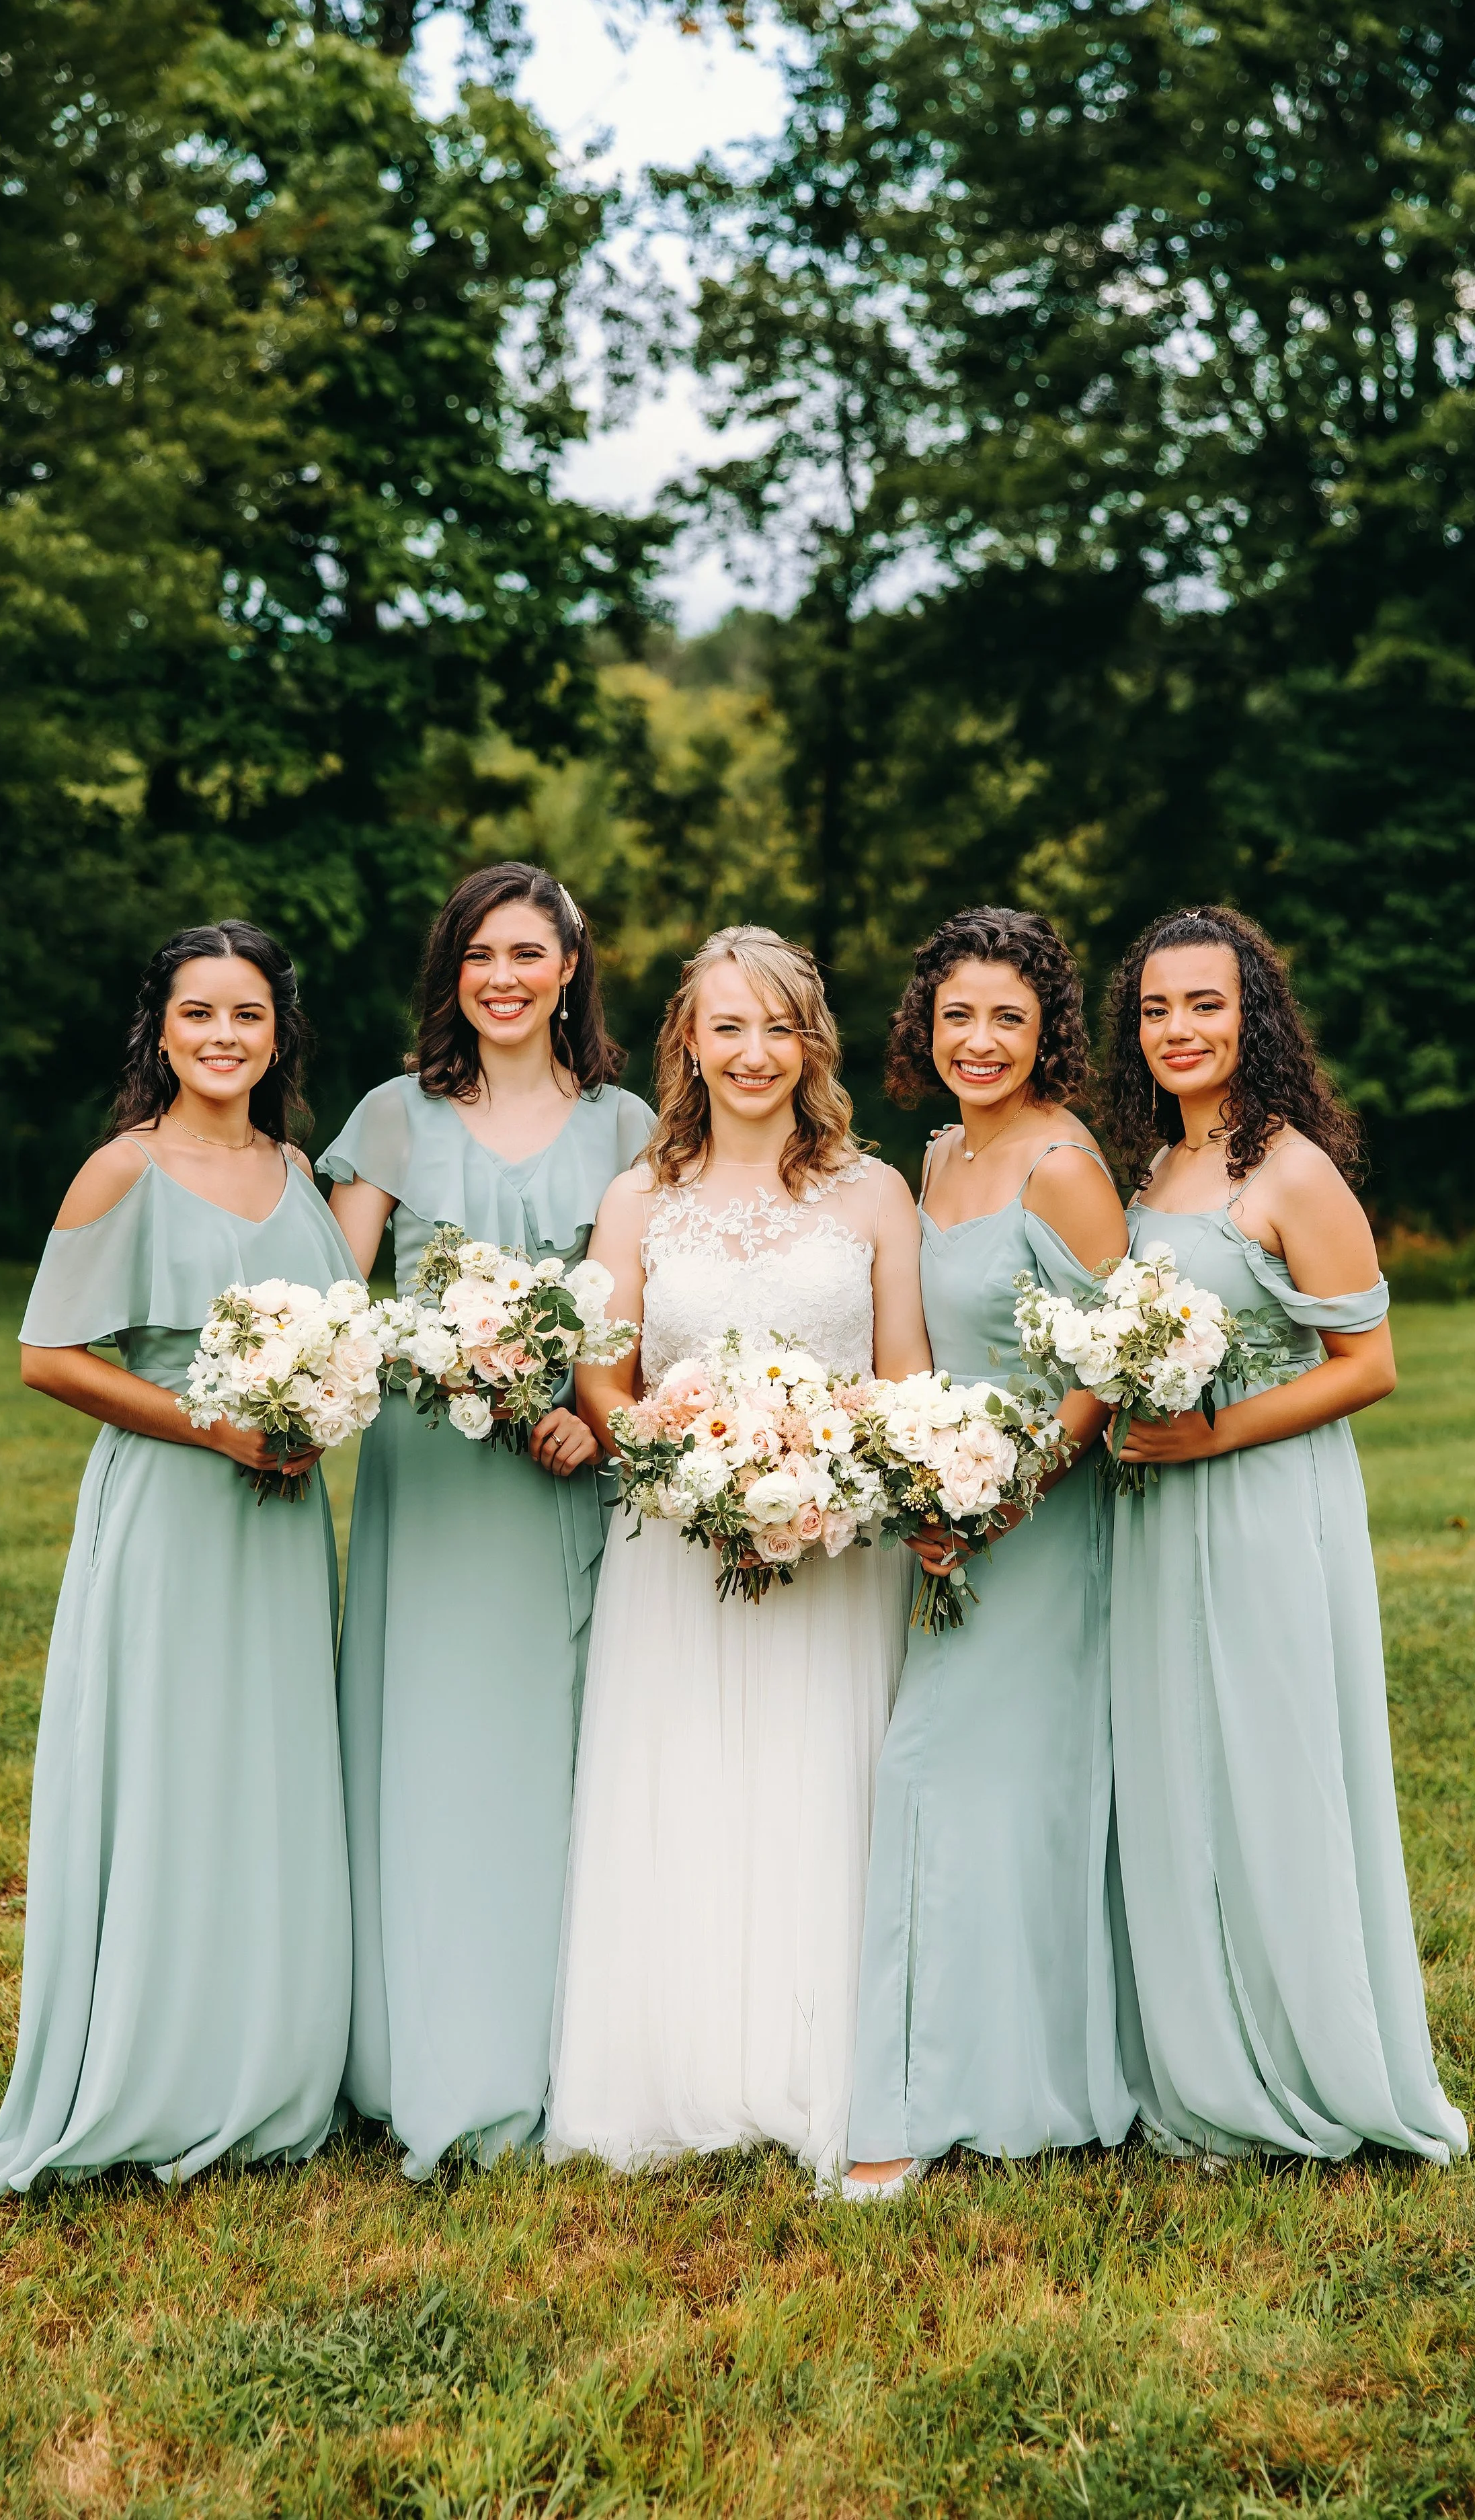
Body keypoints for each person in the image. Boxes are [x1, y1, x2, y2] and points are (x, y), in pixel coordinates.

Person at [0, 922, 355, 2192]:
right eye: (199, 1013)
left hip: (282, 1518)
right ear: (162, 1031)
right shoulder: (119, 1170)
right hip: (172, 1507)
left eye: (248, 1013)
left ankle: (268, 2057)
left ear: (279, 1033)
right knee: (170, 1765)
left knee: (269, 1767)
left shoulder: (297, 1169)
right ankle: (150, 2067)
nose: (224, 1036)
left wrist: (312, 1413)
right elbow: (48, 1356)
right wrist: (216, 1425)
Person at [547, 926, 930, 2184]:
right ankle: (681, 2069)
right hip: (676, 1546)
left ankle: (826, 2073)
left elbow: (903, 1376)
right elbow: (605, 1379)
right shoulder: (638, 1200)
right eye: (729, 1026)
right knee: (687, 1788)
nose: (754, 1052)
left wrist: (823, 1476)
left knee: (821, 1784)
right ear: (690, 1044)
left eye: (779, 1026)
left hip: (836, 1546)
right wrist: (696, 1477)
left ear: (811, 1042)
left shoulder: (873, 1195)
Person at [1097, 903, 1467, 2164]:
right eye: (1156, 1008)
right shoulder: (1157, 1166)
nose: (1179, 1028)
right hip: (1159, 1512)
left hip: (1260, 1503)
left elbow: (1369, 1363)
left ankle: (1313, 2060)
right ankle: (1199, 2050)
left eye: (1205, 1003)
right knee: (1182, 1764)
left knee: (1272, 1764)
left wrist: (1215, 1434)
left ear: (1252, 1015)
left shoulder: (1293, 1170)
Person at [321, 862, 652, 2177]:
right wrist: (433, 1355)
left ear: (570, 970)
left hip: (568, 1477)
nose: (502, 978)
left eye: (527, 954)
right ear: (451, 973)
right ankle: (430, 2055)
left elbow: (656, 1311)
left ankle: (572, 2054)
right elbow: (327, 1304)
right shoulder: (394, 1116)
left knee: (563, 1756)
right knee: (439, 1752)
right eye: (478, 955)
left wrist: (596, 1417)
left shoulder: (630, 1127)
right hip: (437, 1480)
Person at [844, 909, 1136, 2199]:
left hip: (1039, 1525)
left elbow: (1116, 1360)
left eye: (1008, 1018)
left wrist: (1011, 1492)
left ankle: (940, 2101)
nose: (979, 1039)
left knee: (966, 1784)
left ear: (1047, 1031)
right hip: (945, 1518)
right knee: (957, 1791)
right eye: (957, 1014)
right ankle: (972, 2079)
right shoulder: (940, 1153)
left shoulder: (1062, 1164)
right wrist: (924, 1479)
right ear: (926, 1023)